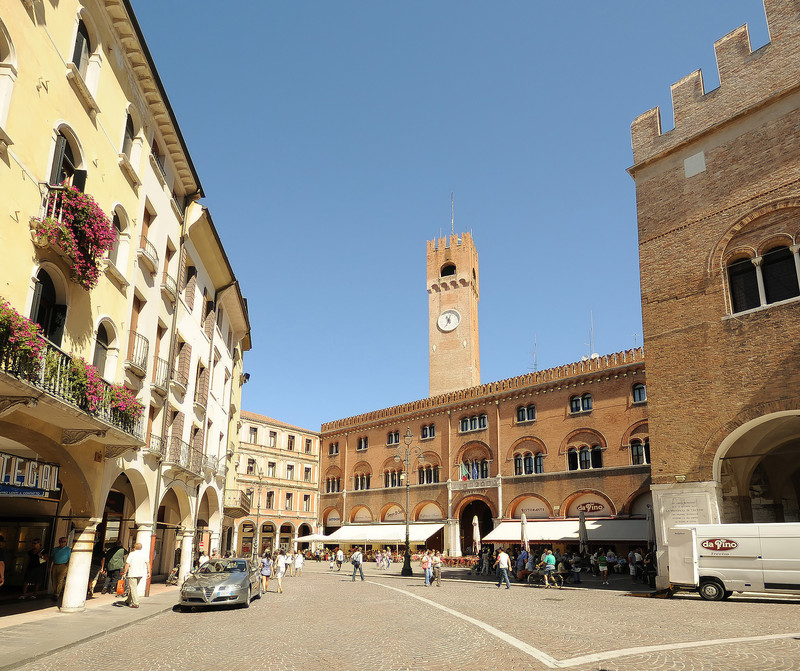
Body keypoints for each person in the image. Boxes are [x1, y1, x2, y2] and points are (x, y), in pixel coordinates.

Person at [121, 542, 150, 608]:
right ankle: (128, 601)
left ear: (134, 548)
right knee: (133, 588)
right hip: (140, 574)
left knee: (133, 588)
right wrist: (149, 572)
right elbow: (148, 563)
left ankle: (136, 603)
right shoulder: (144, 554)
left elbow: (127, 564)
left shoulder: (132, 554)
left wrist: (125, 572)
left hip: (133, 573)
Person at [49, 537, 72, 601]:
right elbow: (51, 557)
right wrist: (49, 566)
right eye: (61, 541)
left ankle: (57, 594)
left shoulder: (68, 549)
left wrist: (67, 566)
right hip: (55, 565)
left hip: (63, 565)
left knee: (60, 580)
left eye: (64, 542)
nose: (62, 543)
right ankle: (55, 591)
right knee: (54, 579)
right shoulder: (55, 549)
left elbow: (70, 558)